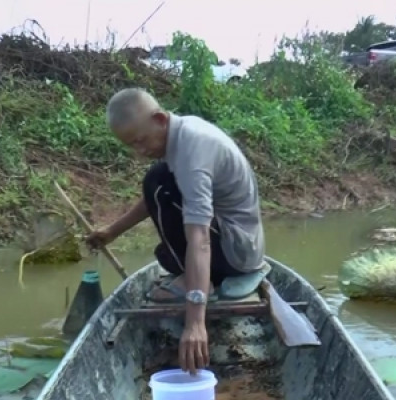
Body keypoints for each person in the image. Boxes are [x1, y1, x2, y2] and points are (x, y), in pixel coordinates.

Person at [85, 88, 265, 375]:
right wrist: (111, 232)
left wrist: (195, 321)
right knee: (161, 227)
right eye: (131, 146)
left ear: (159, 119)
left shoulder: (192, 151)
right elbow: (152, 201)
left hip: (236, 251)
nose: (140, 151)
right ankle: (192, 276)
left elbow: (200, 238)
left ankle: (202, 284)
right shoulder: (179, 135)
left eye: (141, 141)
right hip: (237, 244)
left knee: (158, 183)